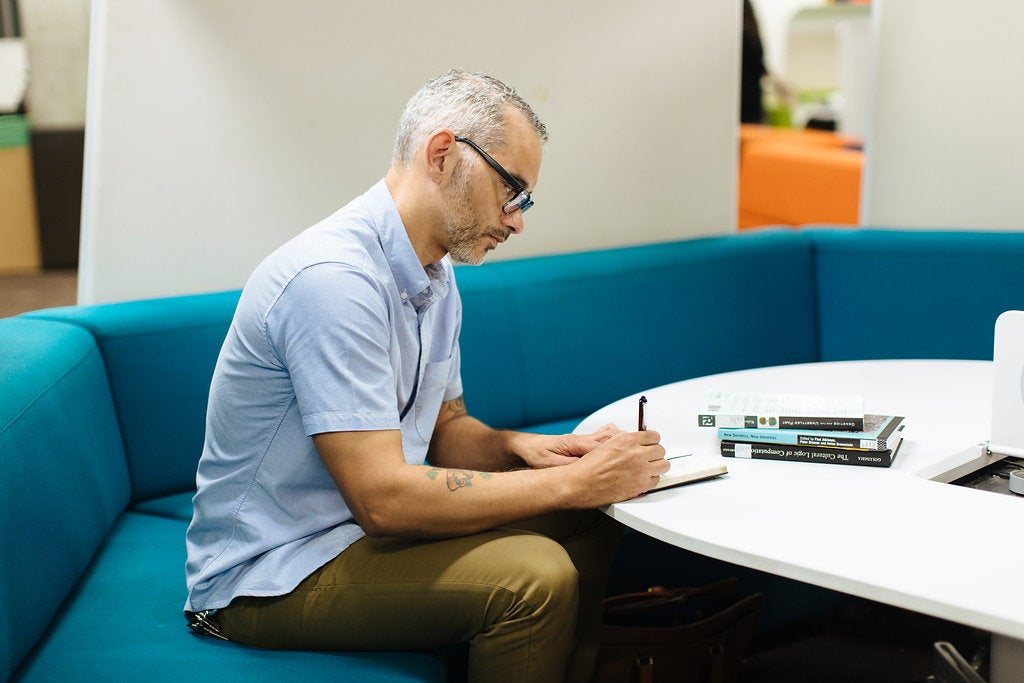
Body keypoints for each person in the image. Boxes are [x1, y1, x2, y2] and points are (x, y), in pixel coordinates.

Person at [184, 70, 668, 683]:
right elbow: (383, 500)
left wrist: (524, 449)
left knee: (591, 519)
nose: (517, 221)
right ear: (443, 155)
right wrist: (576, 484)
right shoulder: (332, 280)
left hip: (353, 538)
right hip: (268, 574)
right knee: (534, 576)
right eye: (510, 189)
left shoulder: (434, 275)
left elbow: (443, 428)